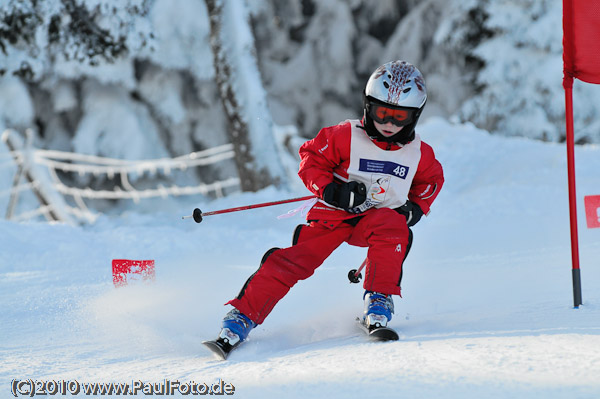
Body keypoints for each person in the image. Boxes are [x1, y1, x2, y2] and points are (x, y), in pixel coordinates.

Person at [216, 60, 444, 347]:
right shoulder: (345, 136)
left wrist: (416, 207)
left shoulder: (418, 153)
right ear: (368, 105)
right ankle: (242, 316)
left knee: (393, 225)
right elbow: (310, 160)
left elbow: (432, 181)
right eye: (383, 113)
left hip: (376, 221)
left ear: (415, 116)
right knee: (295, 260)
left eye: (399, 117)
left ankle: (379, 301)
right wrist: (331, 190)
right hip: (332, 217)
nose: (389, 124)